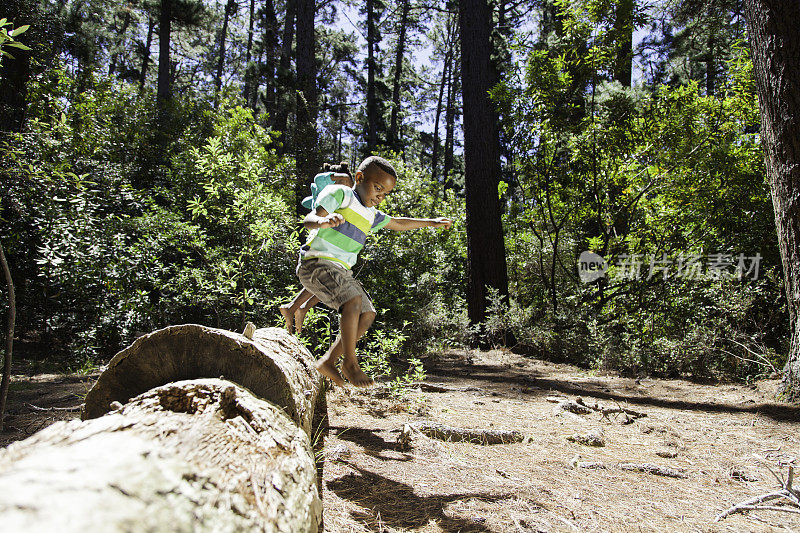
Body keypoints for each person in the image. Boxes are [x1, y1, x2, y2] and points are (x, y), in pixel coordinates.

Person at [296, 155, 452, 387]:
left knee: (367, 314)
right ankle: (350, 363)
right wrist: (324, 221)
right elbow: (310, 218)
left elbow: (399, 223)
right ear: (359, 178)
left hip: (340, 271)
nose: (380, 196)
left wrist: (431, 222)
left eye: (385, 193)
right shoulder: (342, 194)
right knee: (353, 302)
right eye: (377, 188)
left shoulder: (372, 215)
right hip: (316, 263)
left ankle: (329, 361)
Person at [280, 163, 354, 333]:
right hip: (322, 235)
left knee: (328, 277)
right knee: (326, 274)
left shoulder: (338, 195)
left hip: (332, 239)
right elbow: (344, 179)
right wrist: (350, 183)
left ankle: (299, 307)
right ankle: (295, 307)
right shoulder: (327, 185)